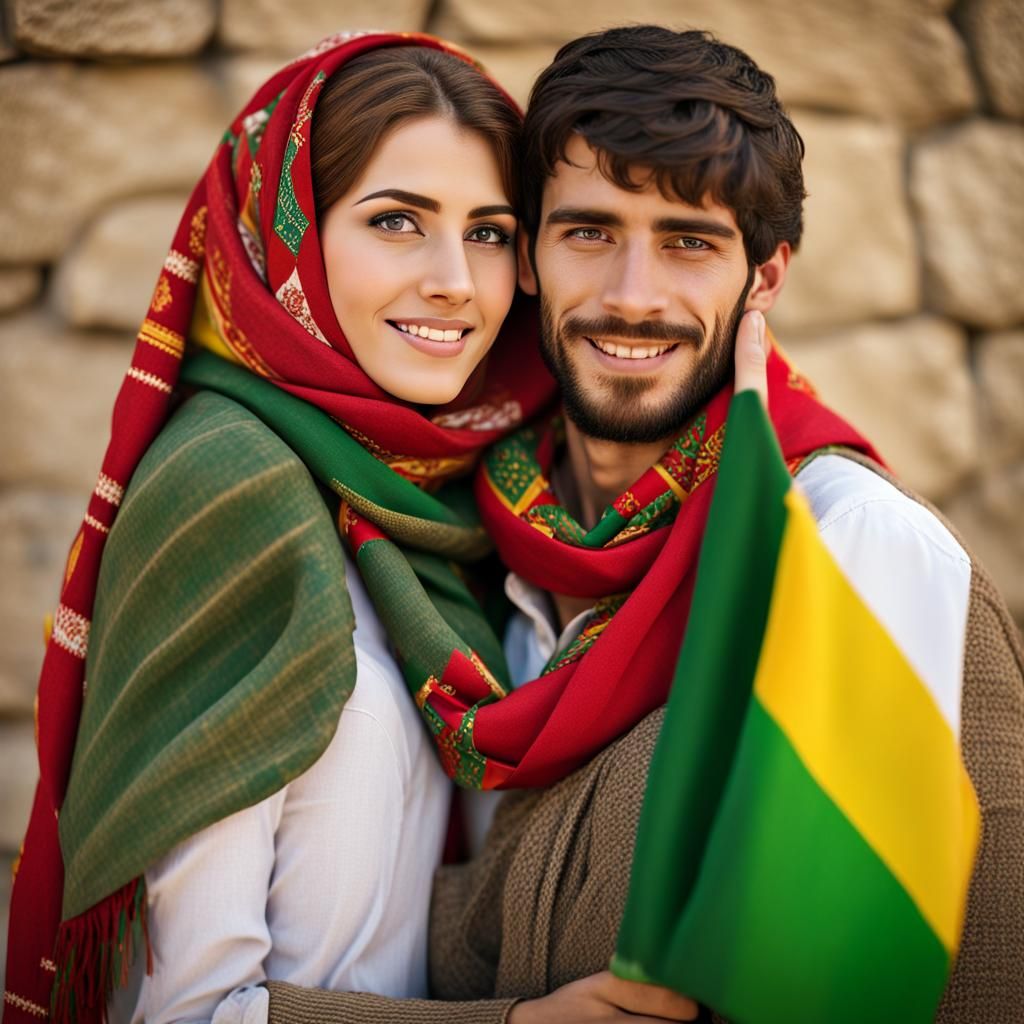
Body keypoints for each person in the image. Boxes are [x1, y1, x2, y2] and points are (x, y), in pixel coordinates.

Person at [261, 25, 1023, 1024]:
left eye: (688, 243)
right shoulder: (453, 556)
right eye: (589, 231)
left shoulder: (861, 554)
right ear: (528, 255)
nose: (631, 297)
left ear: (766, 277)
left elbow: (978, 978)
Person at [1, 30, 555, 1024]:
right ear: (281, 235)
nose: (456, 281)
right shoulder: (234, 495)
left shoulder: (446, 501)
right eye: (396, 221)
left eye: (489, 231)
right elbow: (183, 1010)